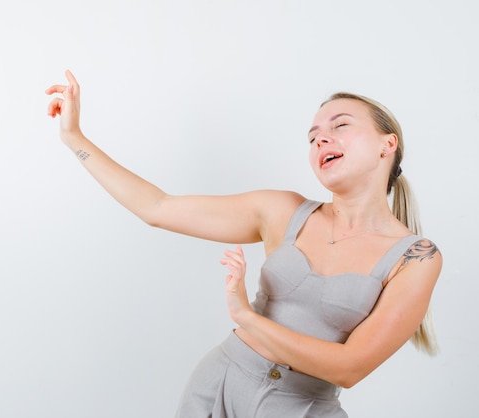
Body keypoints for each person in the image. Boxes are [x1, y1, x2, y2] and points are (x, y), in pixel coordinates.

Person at [45, 71, 442, 417]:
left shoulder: (415, 257)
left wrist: (247, 317)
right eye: (313, 136)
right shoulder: (282, 211)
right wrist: (74, 138)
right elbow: (156, 207)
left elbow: (349, 368)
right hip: (217, 387)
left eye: (339, 126)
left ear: (386, 145)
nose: (322, 139)